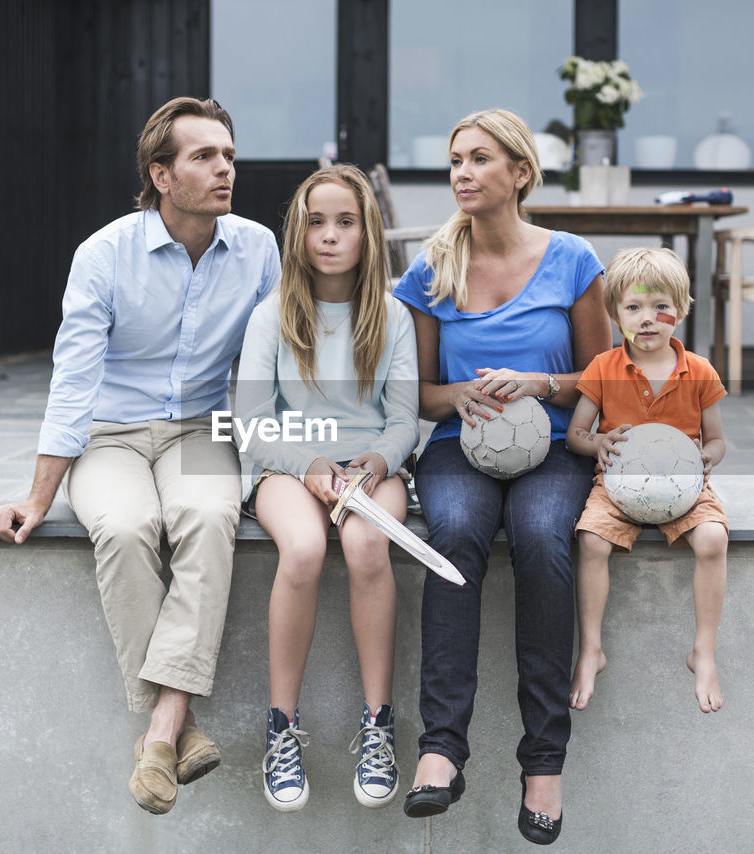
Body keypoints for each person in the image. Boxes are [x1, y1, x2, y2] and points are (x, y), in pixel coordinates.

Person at [0, 97, 281, 816]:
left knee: (207, 518)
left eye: (229, 156)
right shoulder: (105, 253)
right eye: (203, 157)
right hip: (110, 433)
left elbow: (274, 362)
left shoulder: (257, 247)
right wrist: (37, 495)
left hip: (203, 431)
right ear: (162, 173)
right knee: (123, 527)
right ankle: (180, 725)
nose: (224, 170)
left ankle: (158, 730)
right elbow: (74, 379)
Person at [392, 108, 611, 846]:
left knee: (545, 536)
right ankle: (440, 751)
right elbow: (415, 393)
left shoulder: (573, 259)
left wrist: (542, 386)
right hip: (460, 444)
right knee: (452, 534)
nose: (461, 172)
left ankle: (543, 760)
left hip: (551, 446)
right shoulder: (431, 269)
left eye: (480, 159)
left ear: (520, 173)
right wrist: (461, 396)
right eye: (455, 159)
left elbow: (601, 376)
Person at [234, 165, 419, 812]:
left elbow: (403, 421)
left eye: (346, 223)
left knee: (368, 545)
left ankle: (378, 725)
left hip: (369, 468)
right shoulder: (272, 316)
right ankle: (281, 726)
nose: (331, 236)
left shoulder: (392, 317)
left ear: (368, 233)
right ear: (298, 232)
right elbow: (251, 425)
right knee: (306, 550)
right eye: (317, 222)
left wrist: (374, 460)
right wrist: (309, 462)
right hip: (289, 466)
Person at [565, 247, 729, 715]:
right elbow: (576, 434)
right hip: (617, 487)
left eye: (661, 307)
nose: (647, 319)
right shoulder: (603, 369)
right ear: (615, 315)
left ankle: (703, 649)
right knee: (592, 542)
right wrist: (597, 444)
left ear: (681, 309)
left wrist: (705, 458)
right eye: (633, 308)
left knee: (714, 538)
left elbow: (718, 441)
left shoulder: (698, 371)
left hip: (683, 486)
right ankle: (592, 648)